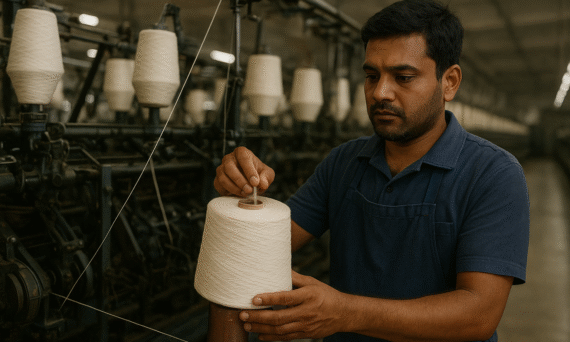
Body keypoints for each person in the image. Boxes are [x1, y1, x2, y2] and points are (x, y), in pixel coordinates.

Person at [213, 0, 530, 341]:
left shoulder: (493, 174)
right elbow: (267, 247)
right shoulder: (344, 163)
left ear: (449, 82)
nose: (380, 92)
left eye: (403, 77)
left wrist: (344, 312)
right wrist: (243, 197)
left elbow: (478, 315)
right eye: (371, 75)